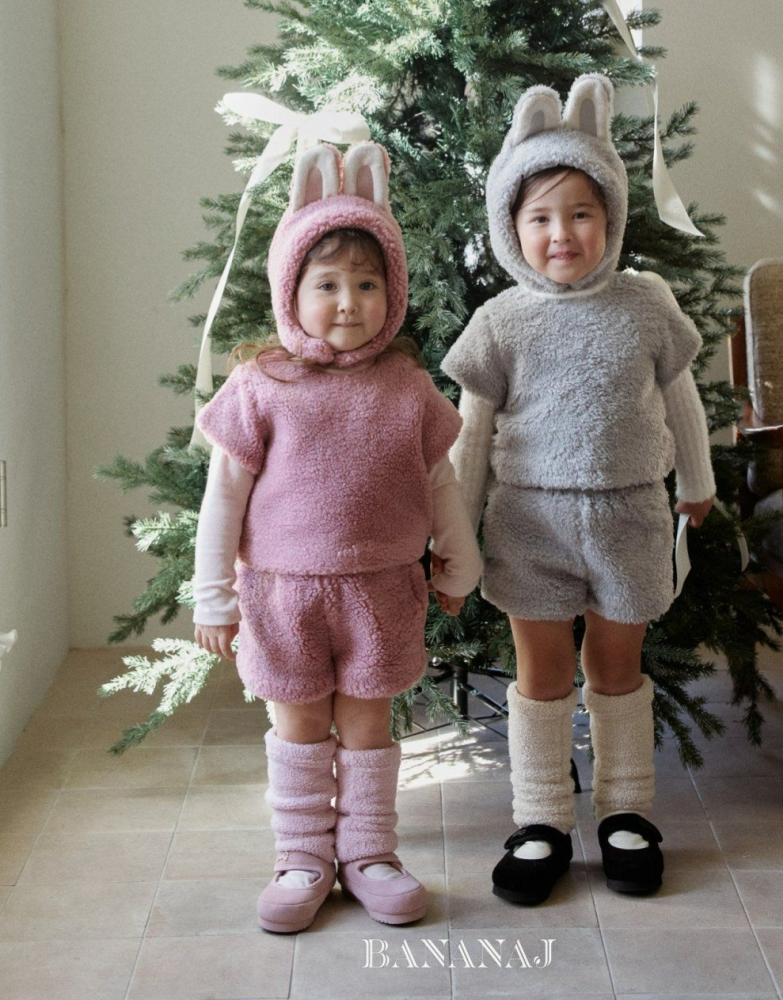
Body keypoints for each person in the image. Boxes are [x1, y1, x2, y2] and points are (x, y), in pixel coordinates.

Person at [192, 141, 481, 933]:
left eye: (367, 284)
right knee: (298, 724)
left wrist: (459, 564)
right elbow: (223, 501)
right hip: (283, 595)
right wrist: (214, 598)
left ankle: (370, 854)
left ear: (393, 293)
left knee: (367, 726)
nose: (348, 303)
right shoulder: (260, 386)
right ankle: (302, 857)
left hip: (382, 591)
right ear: (291, 293)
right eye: (327, 285)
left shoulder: (408, 388)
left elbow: (440, 484)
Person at [441, 74, 716, 906]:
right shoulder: (501, 322)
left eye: (581, 214)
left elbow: (681, 399)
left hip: (630, 514)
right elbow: (472, 434)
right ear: (512, 228)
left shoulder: (646, 304)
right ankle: (541, 819)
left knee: (617, 665)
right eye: (541, 218)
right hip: (529, 521)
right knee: (542, 669)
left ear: (611, 217)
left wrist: (696, 480)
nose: (562, 233)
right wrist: (455, 529)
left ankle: (626, 811)